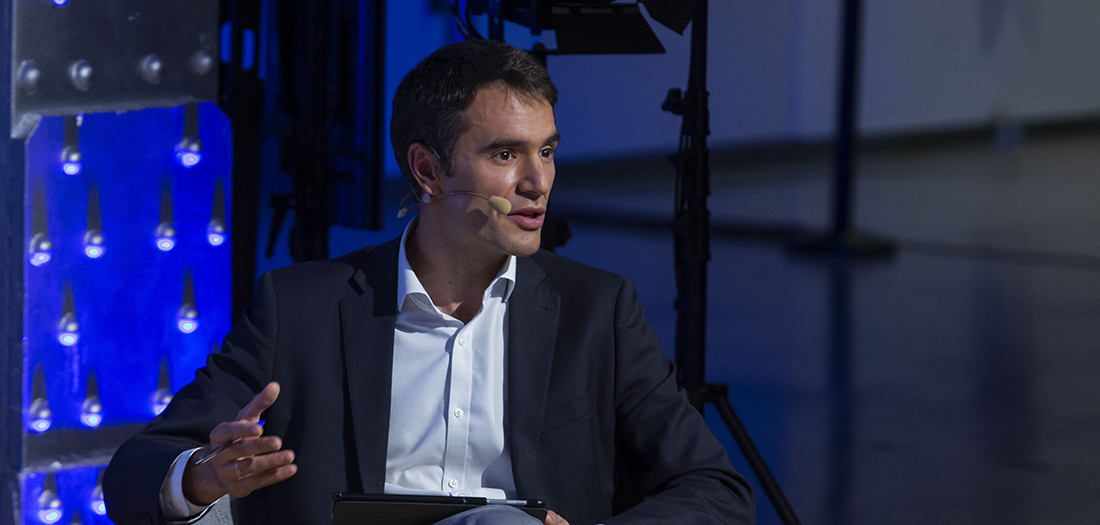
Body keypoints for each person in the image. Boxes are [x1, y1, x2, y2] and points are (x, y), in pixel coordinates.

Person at [104, 39, 754, 525]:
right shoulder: (299, 306)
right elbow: (136, 468)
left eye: (547, 150)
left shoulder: (599, 309)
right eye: (506, 154)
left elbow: (715, 490)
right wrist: (203, 475)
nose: (538, 182)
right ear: (427, 170)